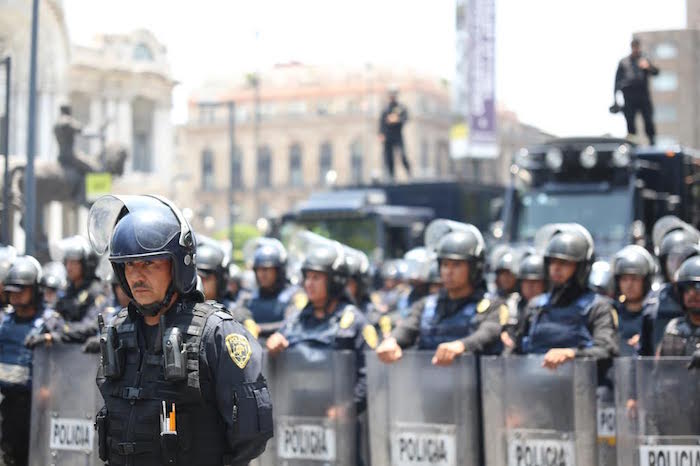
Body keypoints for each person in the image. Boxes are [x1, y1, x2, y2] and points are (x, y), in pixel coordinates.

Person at [88, 194, 272, 465]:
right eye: (129, 264)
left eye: (149, 263)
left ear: (178, 265)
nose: (136, 275)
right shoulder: (117, 331)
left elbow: (250, 436)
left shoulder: (217, 333)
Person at [266, 240, 376, 414]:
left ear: (335, 281)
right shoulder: (295, 320)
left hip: (339, 426)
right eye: (307, 277)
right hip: (298, 419)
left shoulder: (354, 321)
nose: (309, 284)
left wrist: (349, 408)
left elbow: (371, 375)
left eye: (316, 277)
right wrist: (272, 348)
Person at [376, 226, 504, 366]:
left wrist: (462, 345)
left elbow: (488, 333)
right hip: (431, 384)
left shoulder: (492, 306)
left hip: (473, 385)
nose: (448, 271)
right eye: (444, 264)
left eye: (456, 265)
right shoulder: (425, 305)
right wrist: (392, 341)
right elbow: (408, 327)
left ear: (474, 268)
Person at [516, 224, 618, 369]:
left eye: (564, 263)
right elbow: (517, 352)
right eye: (552, 262)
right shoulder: (535, 306)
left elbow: (606, 350)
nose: (556, 268)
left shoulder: (597, 306)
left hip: (582, 387)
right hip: (536, 386)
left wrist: (572, 354)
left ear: (580, 267)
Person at [0, 256, 64, 466]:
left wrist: (51, 388)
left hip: (38, 407)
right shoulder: (4, 322)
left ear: (35, 290)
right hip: (8, 404)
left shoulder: (50, 322)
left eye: (22, 289)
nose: (16, 296)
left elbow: (63, 362)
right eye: (12, 291)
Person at [244, 238, 306, 339]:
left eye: (266, 270)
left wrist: (259, 329)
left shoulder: (295, 294)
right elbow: (237, 312)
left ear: (279, 271)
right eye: (258, 270)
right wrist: (246, 321)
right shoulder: (249, 295)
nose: (261, 274)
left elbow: (293, 322)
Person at [196, 240, 259, 337]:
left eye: (205, 278)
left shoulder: (237, 315)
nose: (199, 282)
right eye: (195, 276)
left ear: (220, 280)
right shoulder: (180, 310)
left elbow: (251, 346)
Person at [54, 235, 107, 343]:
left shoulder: (96, 291)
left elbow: (90, 327)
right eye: (67, 262)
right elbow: (52, 316)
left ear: (86, 264)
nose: (69, 267)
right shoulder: (67, 290)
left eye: (74, 263)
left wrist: (61, 331)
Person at [611, 245, 656, 356]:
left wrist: (647, 341)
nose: (629, 285)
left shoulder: (654, 313)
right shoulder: (611, 312)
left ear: (645, 281)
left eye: (635, 279)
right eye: (624, 279)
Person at [614, 37, 659, 145]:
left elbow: (656, 72)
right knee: (630, 123)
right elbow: (616, 82)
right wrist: (615, 100)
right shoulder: (624, 62)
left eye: (637, 47)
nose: (636, 49)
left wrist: (648, 67)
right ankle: (632, 144)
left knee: (648, 120)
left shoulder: (644, 60)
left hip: (643, 95)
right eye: (634, 47)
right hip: (629, 96)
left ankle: (652, 142)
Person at [658, 256, 700, 368]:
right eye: (687, 288)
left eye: (698, 287)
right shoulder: (674, 328)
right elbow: (659, 372)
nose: (692, 294)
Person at [501, 253, 547, 350]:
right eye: (526, 282)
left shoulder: (551, 307)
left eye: (535, 282)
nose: (530, 286)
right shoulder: (512, 305)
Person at [378, 87, 410, 179]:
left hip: (397, 135)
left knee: (402, 154)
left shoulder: (401, 108)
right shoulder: (385, 109)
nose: (392, 96)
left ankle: (408, 172)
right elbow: (381, 123)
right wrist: (381, 134)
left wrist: (397, 120)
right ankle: (392, 176)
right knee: (389, 157)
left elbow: (406, 118)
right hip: (388, 136)